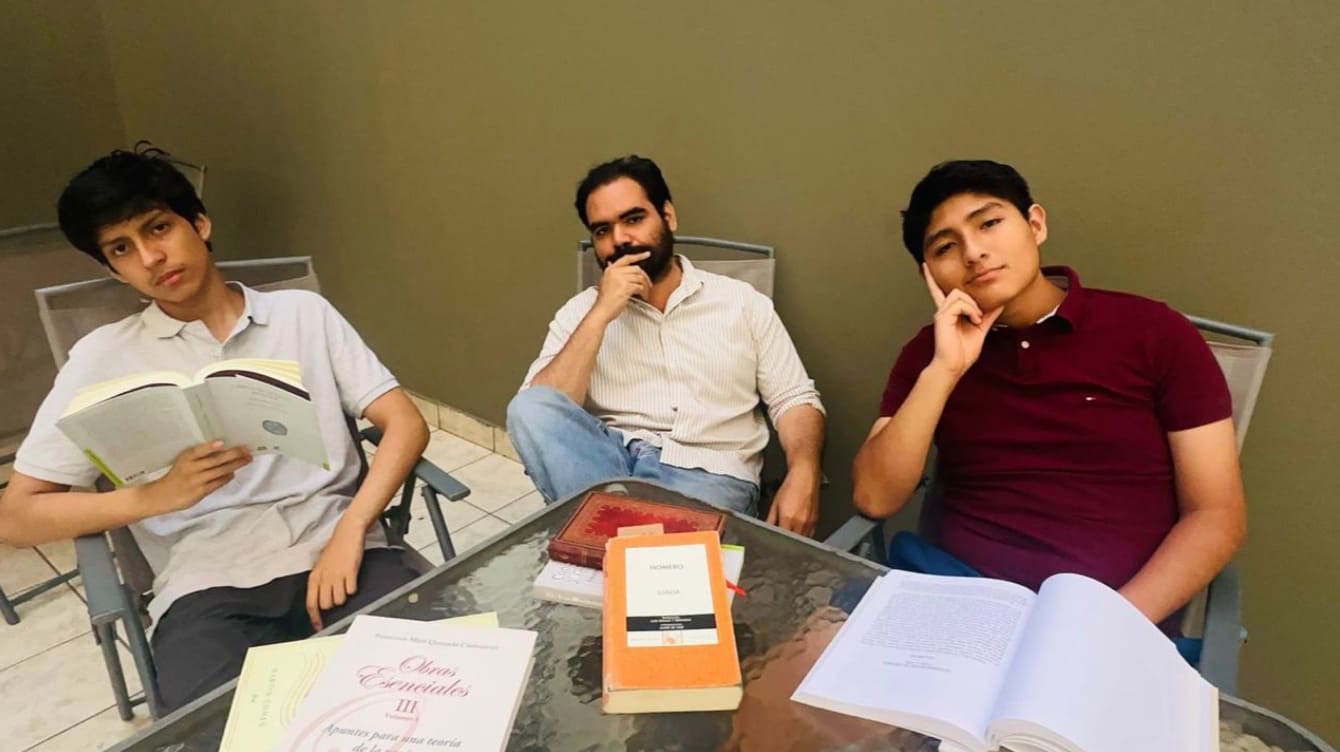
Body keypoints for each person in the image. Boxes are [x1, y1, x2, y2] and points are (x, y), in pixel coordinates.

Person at [0, 147, 430, 709]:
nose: (150, 257)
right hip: (207, 586)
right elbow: (16, 516)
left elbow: (405, 421)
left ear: (199, 224)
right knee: (219, 731)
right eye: (121, 248)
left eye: (158, 228)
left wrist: (353, 528)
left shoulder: (302, 314)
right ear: (112, 270)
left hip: (340, 549)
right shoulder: (100, 358)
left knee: (433, 697)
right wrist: (156, 496)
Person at [852, 159, 1246, 632]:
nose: (974, 252)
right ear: (929, 275)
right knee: (800, 658)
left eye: (989, 223)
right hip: (958, 605)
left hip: (1110, 620)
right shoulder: (929, 353)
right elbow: (875, 497)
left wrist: (1108, 625)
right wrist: (945, 370)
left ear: (1035, 224)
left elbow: (1215, 514)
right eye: (946, 247)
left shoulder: (1155, 333)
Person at [507, 155, 826, 535]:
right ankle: (622, 542)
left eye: (633, 219)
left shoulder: (742, 303)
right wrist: (601, 314)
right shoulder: (580, 313)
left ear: (668, 217)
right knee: (528, 406)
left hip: (706, 475)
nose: (619, 240)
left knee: (620, 548)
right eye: (602, 230)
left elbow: (794, 398)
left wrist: (804, 470)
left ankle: (607, 540)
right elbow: (541, 412)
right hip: (606, 470)